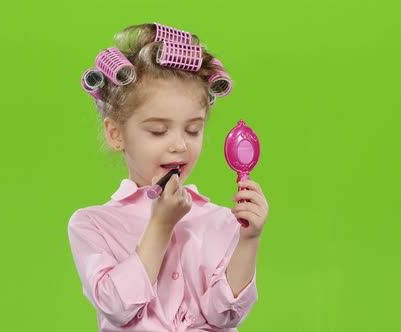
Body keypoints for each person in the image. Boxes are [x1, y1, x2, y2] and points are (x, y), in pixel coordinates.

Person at [68, 22, 269, 331]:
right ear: (115, 133)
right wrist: (161, 224)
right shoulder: (92, 225)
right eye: (158, 130)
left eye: (193, 129)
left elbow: (224, 315)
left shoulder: (220, 221)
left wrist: (249, 239)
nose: (180, 145)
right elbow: (116, 306)